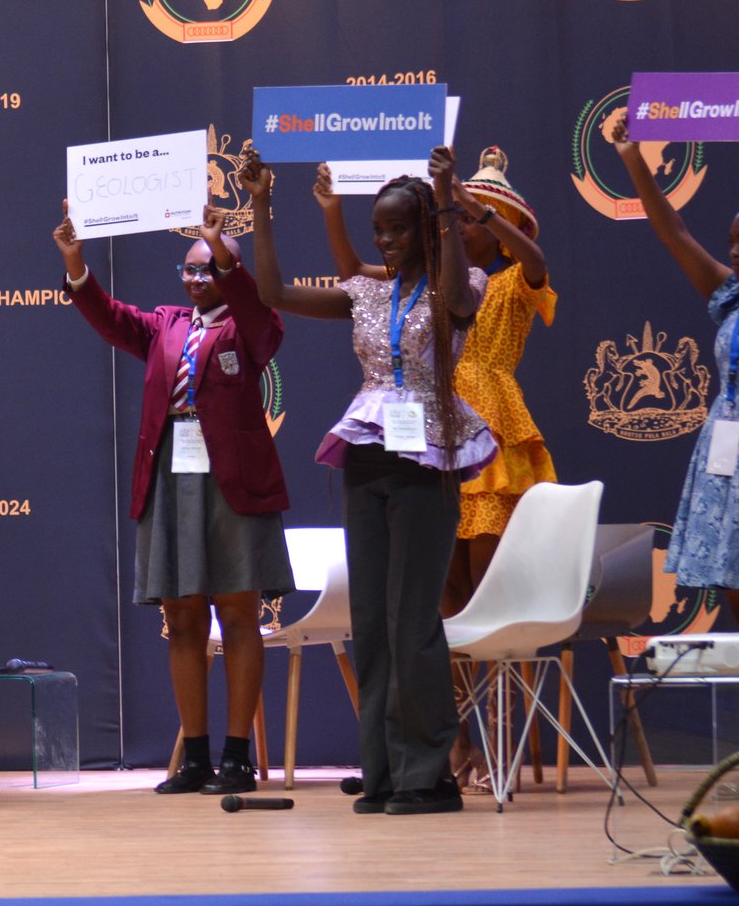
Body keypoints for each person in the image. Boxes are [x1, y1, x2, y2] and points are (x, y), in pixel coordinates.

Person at [248, 148, 495, 816]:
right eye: (378, 231)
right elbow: (272, 293)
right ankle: (384, 773)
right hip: (367, 456)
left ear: (426, 231)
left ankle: (431, 775)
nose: (384, 241)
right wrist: (263, 204)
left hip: (428, 460)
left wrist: (444, 197)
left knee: (413, 620)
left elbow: (455, 301)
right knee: (372, 623)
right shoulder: (364, 292)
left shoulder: (461, 282)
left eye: (397, 230)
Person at [315, 152, 554, 792]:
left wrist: (471, 208)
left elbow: (532, 259)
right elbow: (356, 278)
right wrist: (335, 212)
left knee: (492, 605)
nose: (464, 231)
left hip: (486, 434)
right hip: (422, 434)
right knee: (435, 608)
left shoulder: (497, 283)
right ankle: (454, 747)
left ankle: (500, 750)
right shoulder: (415, 280)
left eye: (479, 224)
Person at [54, 205, 293, 796]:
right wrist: (76, 263)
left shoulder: (250, 325)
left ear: (231, 271)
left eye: (208, 269)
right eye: (188, 269)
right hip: (171, 478)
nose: (194, 279)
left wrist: (230, 261)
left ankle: (238, 757)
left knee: (238, 614)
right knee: (181, 618)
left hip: (233, 481)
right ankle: (195, 757)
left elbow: (263, 329)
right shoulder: (166, 324)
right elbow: (110, 320)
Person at [618, 117, 739, 599]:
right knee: (729, 577)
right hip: (727, 441)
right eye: (733, 242)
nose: (735, 252)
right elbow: (676, 234)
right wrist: (633, 158)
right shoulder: (731, 295)